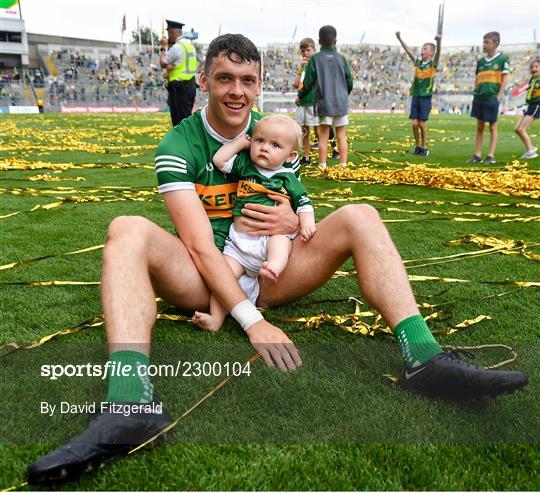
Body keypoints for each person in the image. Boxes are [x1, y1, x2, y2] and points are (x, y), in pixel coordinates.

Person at [27, 33, 528, 486]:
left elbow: (299, 200)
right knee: (126, 229)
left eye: (247, 80)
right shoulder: (179, 143)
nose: (236, 91)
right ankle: (130, 401)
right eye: (224, 78)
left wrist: (293, 223)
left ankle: (424, 358)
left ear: (261, 83)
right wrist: (253, 323)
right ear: (204, 80)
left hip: (271, 268)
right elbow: (200, 246)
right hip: (205, 275)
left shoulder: (278, 137)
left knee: (360, 215)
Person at [193, 115, 316, 332]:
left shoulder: (287, 177)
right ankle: (215, 319)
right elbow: (220, 161)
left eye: (275, 145)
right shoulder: (245, 165)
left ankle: (273, 268)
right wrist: (241, 143)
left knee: (280, 242)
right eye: (259, 141)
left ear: (291, 156)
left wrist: (306, 223)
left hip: (268, 240)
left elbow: (304, 202)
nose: (264, 148)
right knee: (222, 278)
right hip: (238, 245)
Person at [298, 25, 353, 168]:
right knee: (341, 134)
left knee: (323, 134)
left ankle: (322, 165)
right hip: (340, 103)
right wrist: (342, 95)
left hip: (324, 102)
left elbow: (308, 82)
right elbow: (349, 81)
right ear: (335, 40)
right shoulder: (341, 58)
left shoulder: (316, 59)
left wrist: (300, 96)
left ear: (319, 41)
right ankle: (343, 165)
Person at [396, 31, 442, 156]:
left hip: (425, 97)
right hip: (416, 95)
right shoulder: (418, 63)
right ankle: (417, 146)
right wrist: (400, 39)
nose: (422, 51)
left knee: (422, 123)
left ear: (431, 53)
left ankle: (424, 146)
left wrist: (438, 42)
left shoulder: (433, 64)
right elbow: (409, 51)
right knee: (414, 123)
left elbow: (438, 53)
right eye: (422, 49)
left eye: (425, 49)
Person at [466, 31, 509, 164]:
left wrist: (499, 96)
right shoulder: (480, 62)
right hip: (479, 97)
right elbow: (477, 78)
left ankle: (490, 155)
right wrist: (475, 90)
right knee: (479, 126)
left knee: (492, 126)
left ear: (495, 43)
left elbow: (505, 78)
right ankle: (477, 155)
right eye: (483, 42)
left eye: (486, 42)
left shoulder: (502, 59)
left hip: (492, 97)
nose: (484, 45)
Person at [159, 19, 197, 126]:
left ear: (172, 32)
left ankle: (183, 142)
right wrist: (170, 70)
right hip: (191, 85)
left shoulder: (177, 47)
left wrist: (163, 47)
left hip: (179, 87)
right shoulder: (190, 46)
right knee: (186, 118)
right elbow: (180, 65)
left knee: (178, 121)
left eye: (169, 33)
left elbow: (162, 63)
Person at [293, 37, 319, 166]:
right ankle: (306, 157)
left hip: (313, 102)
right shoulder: (303, 66)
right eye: (303, 51)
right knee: (305, 132)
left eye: (308, 50)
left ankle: (323, 157)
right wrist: (301, 68)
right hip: (302, 103)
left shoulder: (316, 64)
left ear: (314, 49)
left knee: (319, 131)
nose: (305, 53)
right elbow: (295, 84)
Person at [514, 57, 540, 159]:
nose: (533, 68)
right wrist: (519, 85)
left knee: (521, 129)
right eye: (532, 67)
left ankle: (531, 152)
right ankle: (531, 147)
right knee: (517, 129)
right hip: (529, 105)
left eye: (536, 67)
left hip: (537, 105)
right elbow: (527, 87)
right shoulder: (533, 79)